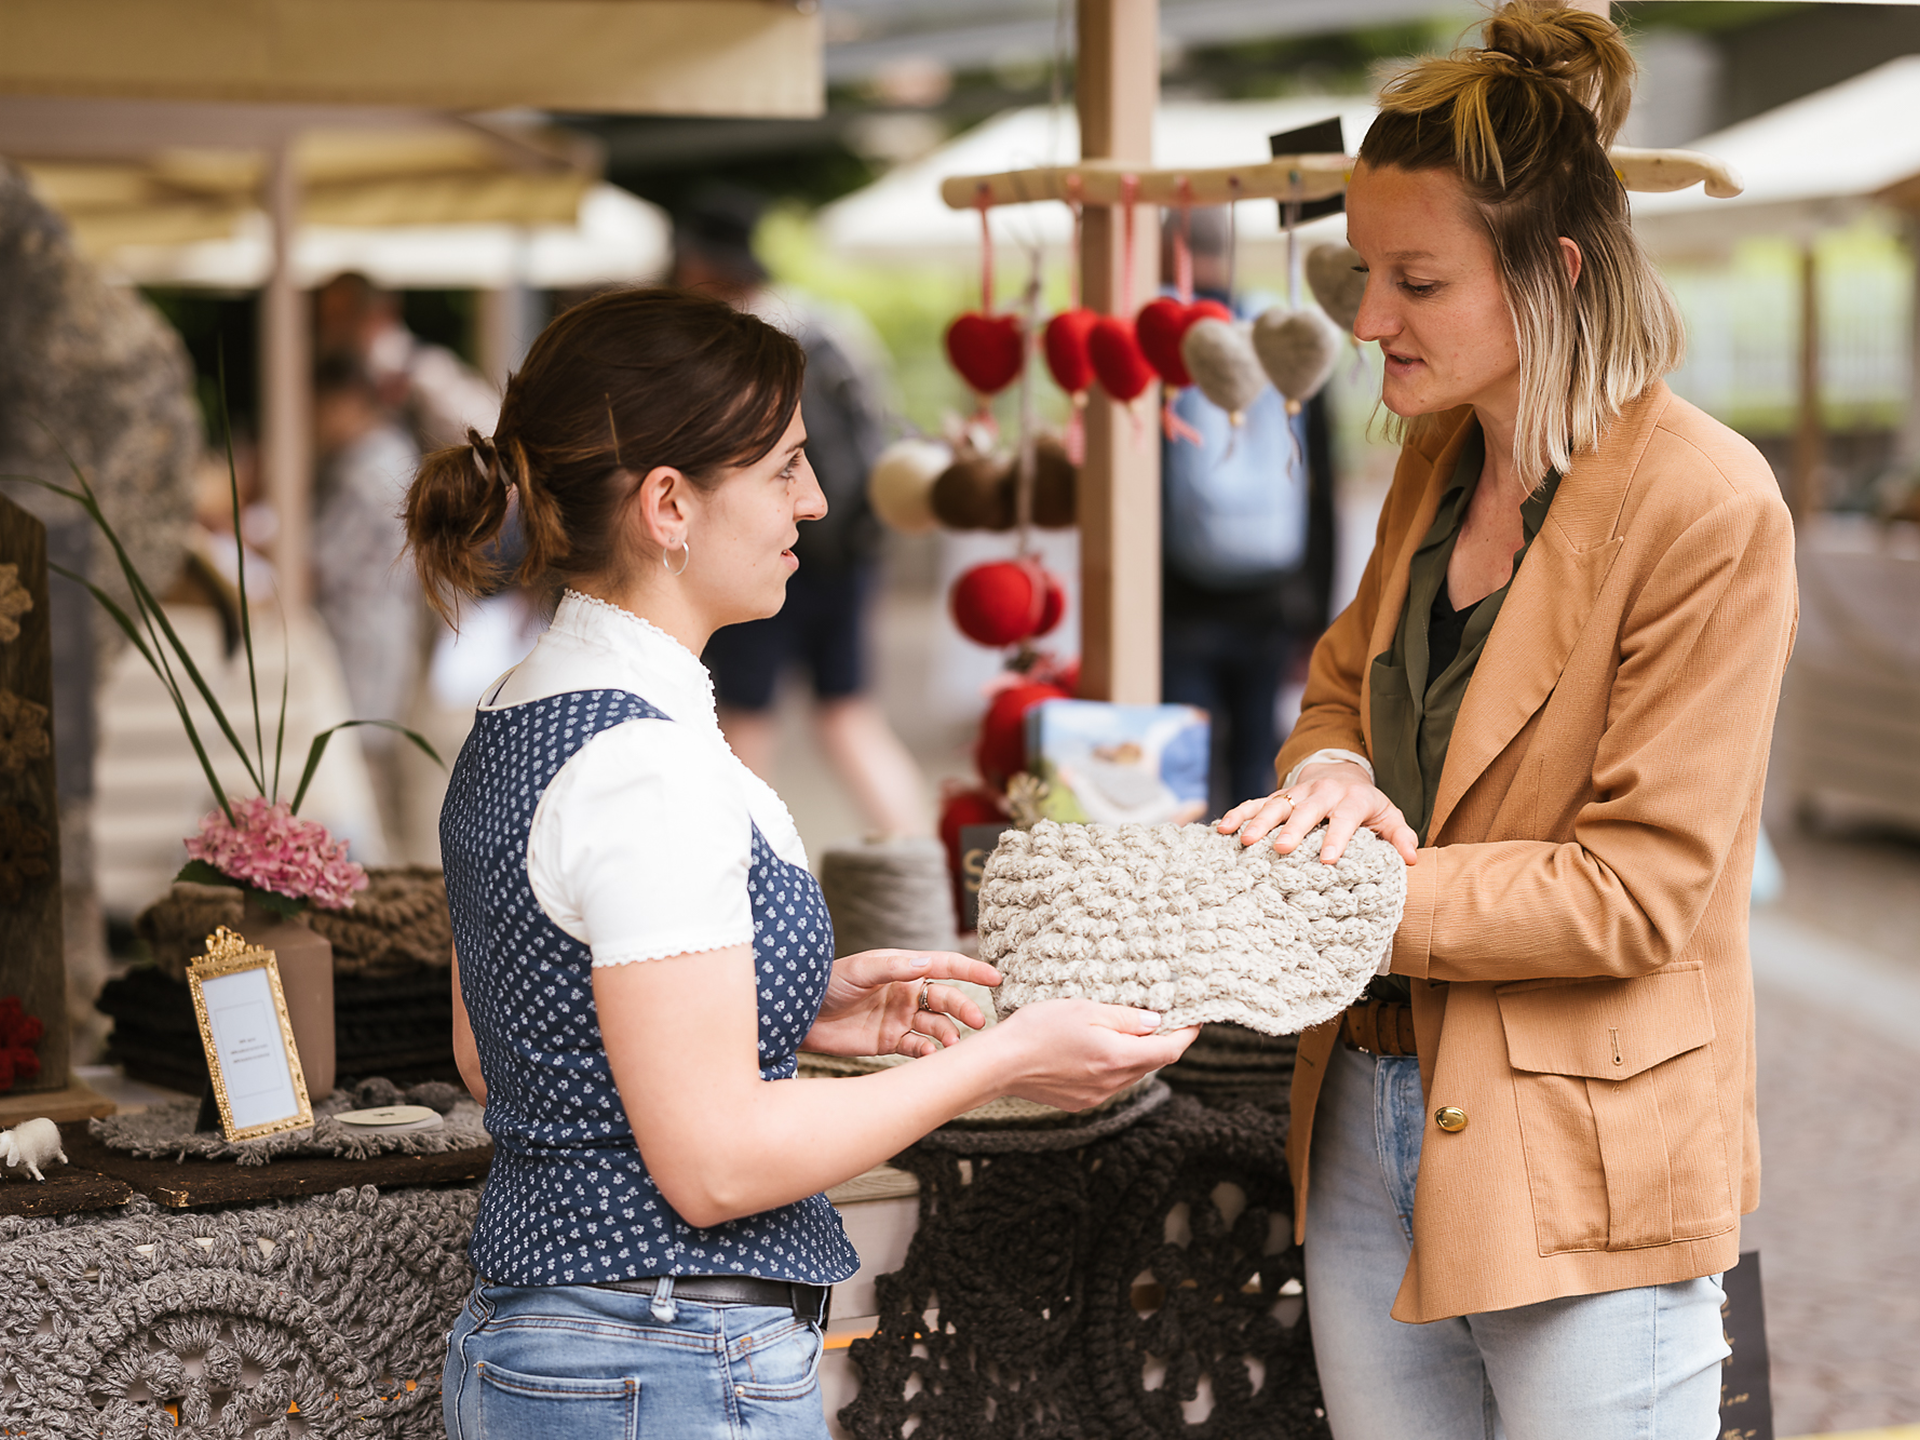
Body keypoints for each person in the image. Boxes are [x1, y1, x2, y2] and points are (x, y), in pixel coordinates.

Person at [405, 288, 1194, 1440]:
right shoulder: (644, 765)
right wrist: (1004, 1058)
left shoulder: (520, 714)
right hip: (660, 1363)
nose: (815, 501)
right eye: (783, 468)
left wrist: (778, 1005)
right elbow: (717, 1168)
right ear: (669, 505)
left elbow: (503, 1052)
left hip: (573, 1352)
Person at [1218, 7, 1796, 1438]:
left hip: (1584, 1149)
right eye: (1362, 270)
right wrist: (1332, 776)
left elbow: (1636, 891)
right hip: (1359, 1115)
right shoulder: (1436, 449)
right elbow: (1343, 685)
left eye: (1415, 279)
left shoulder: (1707, 510)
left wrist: (1333, 893)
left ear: (1557, 270)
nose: (1365, 320)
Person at [673, 184, 928, 838]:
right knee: (850, 715)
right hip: (847, 551)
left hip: (763, 550)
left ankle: (743, 885)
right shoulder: (830, 323)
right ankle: (921, 871)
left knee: (746, 722)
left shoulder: (728, 347)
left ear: (701, 266)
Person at [1158, 206, 1335, 816]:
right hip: (1273, 595)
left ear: (1168, 251)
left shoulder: (1163, 341)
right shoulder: (1285, 338)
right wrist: (1316, 603)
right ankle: (1250, 903)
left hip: (1179, 600)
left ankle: (1184, 905)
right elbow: (1321, 478)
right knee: (1259, 770)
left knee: (1181, 778)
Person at [311, 351, 423, 837]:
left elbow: (316, 563)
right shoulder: (394, 452)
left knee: (364, 790)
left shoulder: (366, 467)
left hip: (363, 644)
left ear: (345, 401)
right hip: (386, 636)